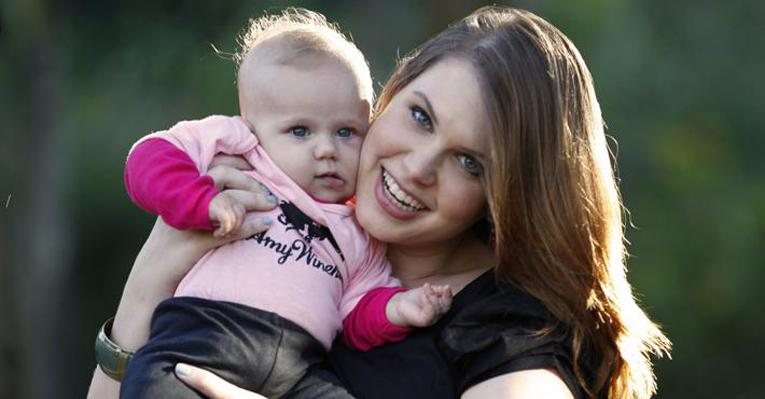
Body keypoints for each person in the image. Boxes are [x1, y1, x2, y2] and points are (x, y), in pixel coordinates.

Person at [88, 5, 671, 399]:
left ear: (503, 197)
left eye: (469, 162)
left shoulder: (509, 336)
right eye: (419, 117)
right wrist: (152, 276)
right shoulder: (275, 199)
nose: (417, 168)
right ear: (386, 98)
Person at [118, 8, 452, 399]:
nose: (326, 149)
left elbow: (357, 312)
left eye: (346, 131)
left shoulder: (359, 230)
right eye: (300, 131)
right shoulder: (243, 151)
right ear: (252, 127)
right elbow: (150, 156)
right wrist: (201, 202)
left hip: (299, 368)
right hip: (202, 338)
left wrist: (398, 310)